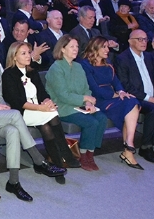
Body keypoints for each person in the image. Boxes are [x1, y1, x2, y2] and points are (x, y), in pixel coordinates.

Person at [0, 41, 66, 201]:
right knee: (15, 115)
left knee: (13, 131)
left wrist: (2, 106)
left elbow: (1, 95)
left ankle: (13, 182)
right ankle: (38, 160)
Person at [1, 42, 80, 170]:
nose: (29, 56)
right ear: (14, 57)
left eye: (29, 52)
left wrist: (47, 101)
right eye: (24, 53)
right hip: (22, 113)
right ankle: (65, 155)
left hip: (38, 110)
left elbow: (43, 93)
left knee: (46, 127)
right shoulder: (8, 74)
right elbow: (17, 102)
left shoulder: (32, 71)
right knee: (53, 115)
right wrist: (41, 108)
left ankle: (56, 162)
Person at [45, 35, 110, 171]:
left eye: (76, 46)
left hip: (79, 105)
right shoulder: (56, 68)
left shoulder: (79, 67)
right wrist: (85, 99)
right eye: (72, 47)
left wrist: (89, 104)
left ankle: (89, 152)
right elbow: (63, 96)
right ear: (62, 49)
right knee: (91, 122)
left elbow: (86, 89)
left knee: (102, 118)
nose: (76, 49)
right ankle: (84, 154)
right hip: (63, 107)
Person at [80, 36, 144, 170]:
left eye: (107, 47)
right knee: (130, 105)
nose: (107, 50)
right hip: (98, 100)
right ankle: (128, 148)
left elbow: (116, 81)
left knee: (130, 101)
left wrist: (121, 91)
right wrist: (114, 94)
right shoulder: (85, 64)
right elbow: (94, 88)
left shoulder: (107, 62)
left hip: (112, 97)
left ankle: (129, 145)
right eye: (104, 47)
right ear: (95, 48)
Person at [114, 30, 154, 164]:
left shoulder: (149, 57)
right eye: (139, 39)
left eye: (145, 39)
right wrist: (148, 98)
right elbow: (126, 86)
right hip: (136, 98)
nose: (143, 42)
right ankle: (146, 147)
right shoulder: (122, 58)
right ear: (130, 41)